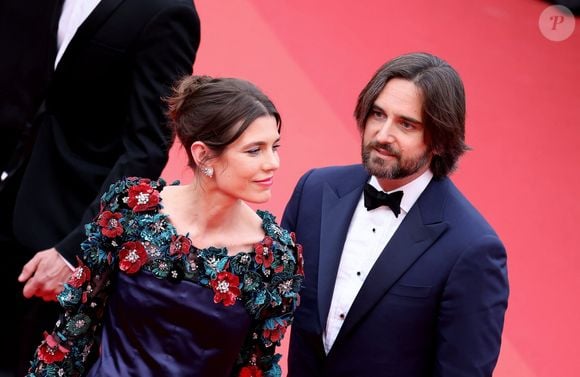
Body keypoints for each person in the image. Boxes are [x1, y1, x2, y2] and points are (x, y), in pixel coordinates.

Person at [26, 75, 304, 377]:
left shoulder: (275, 258)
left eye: (274, 146)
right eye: (255, 150)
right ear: (203, 154)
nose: (273, 162)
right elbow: (75, 329)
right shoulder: (131, 208)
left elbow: (255, 367)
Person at [0, 0, 201, 375]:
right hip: (11, 185)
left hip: (59, 231)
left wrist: (73, 251)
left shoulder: (167, 12)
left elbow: (145, 150)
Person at [282, 52, 509, 377]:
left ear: (441, 141)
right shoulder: (315, 191)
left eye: (406, 124)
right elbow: (266, 298)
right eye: (378, 114)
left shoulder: (472, 249)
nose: (383, 135)